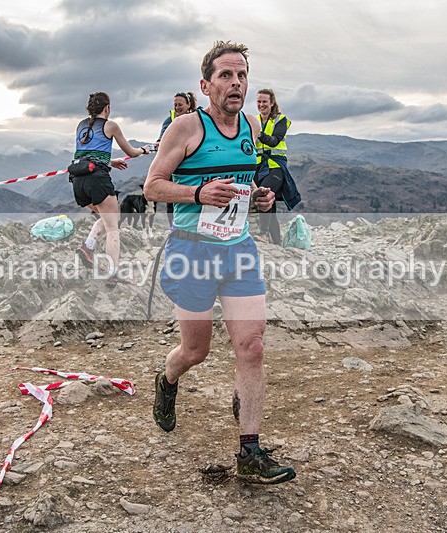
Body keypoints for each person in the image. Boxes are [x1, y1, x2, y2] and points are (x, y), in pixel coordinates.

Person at [144, 41, 296, 484]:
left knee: (252, 346)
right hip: (191, 251)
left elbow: (244, 187)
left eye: (242, 75)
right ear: (205, 84)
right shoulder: (186, 128)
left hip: (238, 249)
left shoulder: (251, 123)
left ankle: (249, 452)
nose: (236, 84)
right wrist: (196, 193)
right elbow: (152, 186)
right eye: (226, 76)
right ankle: (168, 379)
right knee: (197, 350)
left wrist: (261, 199)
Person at [71, 92, 151, 285]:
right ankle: (112, 274)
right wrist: (144, 150)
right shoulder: (111, 125)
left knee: (107, 218)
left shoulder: (81, 125)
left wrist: (110, 161)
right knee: (113, 227)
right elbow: (131, 151)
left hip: (77, 180)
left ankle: (88, 247)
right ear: (107, 108)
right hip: (97, 180)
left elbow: (88, 153)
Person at [254, 88, 301, 244]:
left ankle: (263, 232)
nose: (261, 105)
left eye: (264, 102)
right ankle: (277, 244)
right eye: (259, 101)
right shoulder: (254, 120)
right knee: (270, 207)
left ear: (272, 102)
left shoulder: (280, 120)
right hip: (259, 166)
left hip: (275, 165)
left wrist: (258, 133)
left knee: (263, 194)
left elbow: (274, 141)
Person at [156, 92, 200, 227]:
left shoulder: (197, 119)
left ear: (188, 105)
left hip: (192, 165)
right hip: (174, 166)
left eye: (180, 105)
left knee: (193, 196)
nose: (177, 107)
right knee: (172, 198)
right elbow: (161, 139)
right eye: (175, 105)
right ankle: (173, 227)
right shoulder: (169, 120)